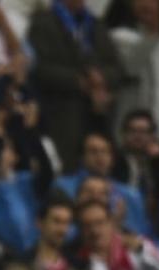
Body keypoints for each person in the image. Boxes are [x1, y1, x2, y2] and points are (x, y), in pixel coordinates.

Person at [28, 0, 123, 172]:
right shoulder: (43, 23)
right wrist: (77, 81)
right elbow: (39, 68)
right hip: (61, 116)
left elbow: (116, 68)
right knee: (67, 168)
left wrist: (102, 78)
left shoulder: (96, 25)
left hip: (97, 113)